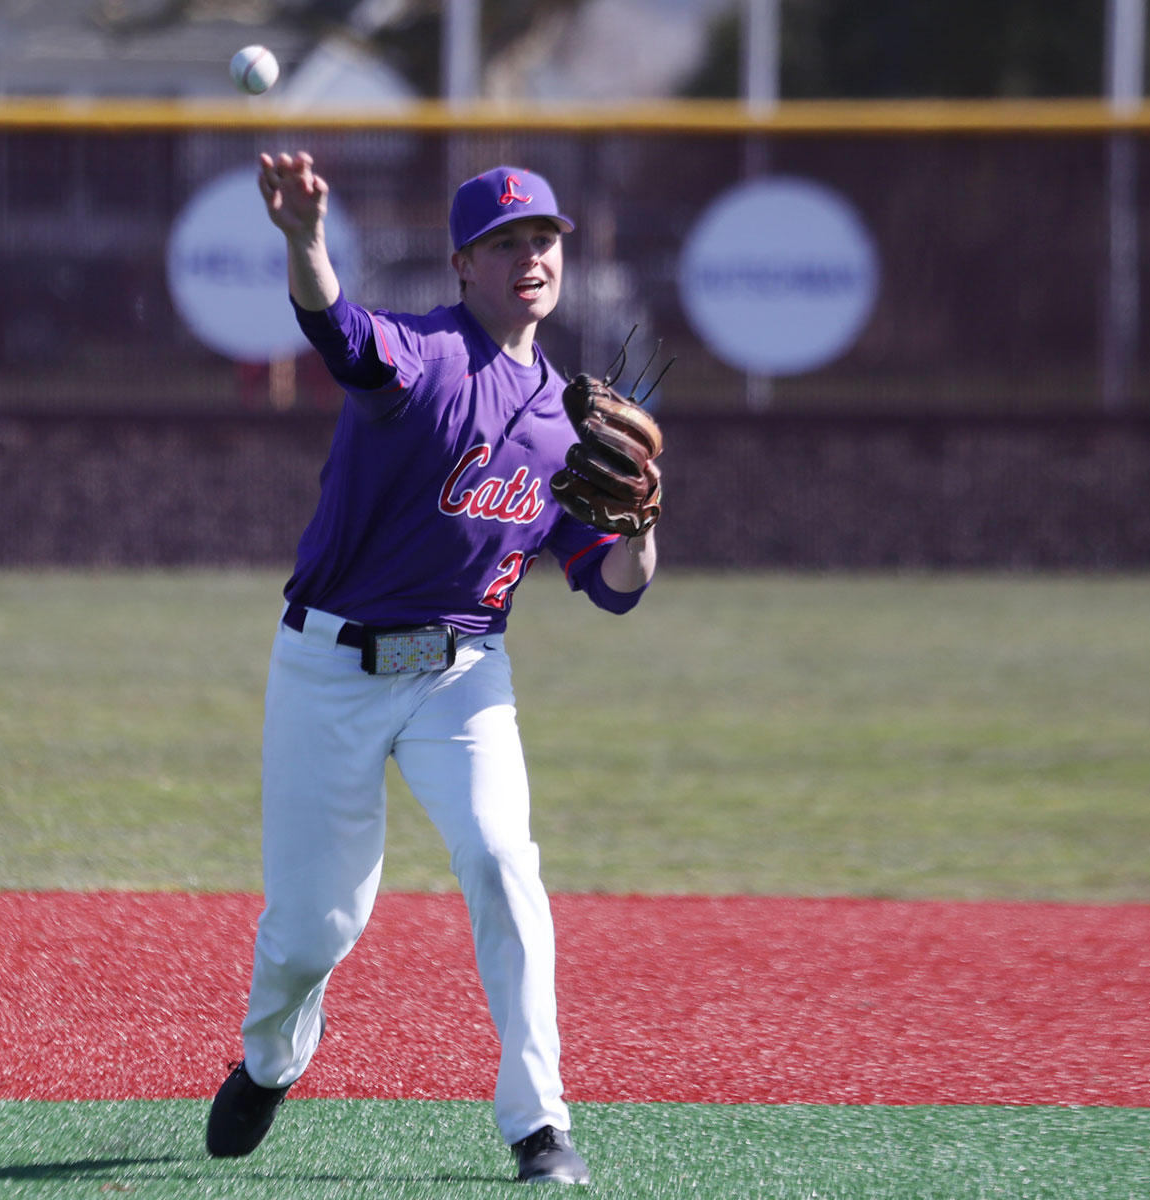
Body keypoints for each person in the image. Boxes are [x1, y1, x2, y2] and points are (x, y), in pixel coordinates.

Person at [204, 151, 659, 1187]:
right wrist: (304, 239)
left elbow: (616, 581)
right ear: (464, 264)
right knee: (316, 928)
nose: (530, 256)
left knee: (504, 862)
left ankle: (539, 1126)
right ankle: (272, 1061)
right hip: (332, 663)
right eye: (506, 242)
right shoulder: (424, 360)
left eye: (543, 238)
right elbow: (339, 331)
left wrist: (644, 519)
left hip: (463, 675)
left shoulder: (566, 419)